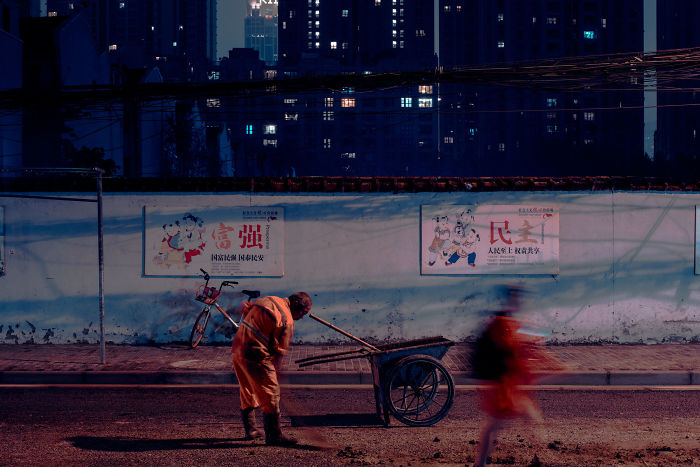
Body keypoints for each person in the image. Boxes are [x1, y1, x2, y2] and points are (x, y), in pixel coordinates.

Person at [474, 286, 546, 467]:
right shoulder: (502, 323)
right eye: (518, 300)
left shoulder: (504, 321)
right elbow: (510, 345)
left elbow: (513, 342)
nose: (521, 303)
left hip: (503, 383)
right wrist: (530, 342)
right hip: (502, 385)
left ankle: (536, 457)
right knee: (524, 417)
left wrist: (529, 339)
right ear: (513, 301)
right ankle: (538, 457)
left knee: (499, 424)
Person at [231, 291, 312, 445]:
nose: (302, 317)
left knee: (247, 388)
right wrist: (276, 376)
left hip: (238, 348)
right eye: (303, 313)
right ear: (295, 306)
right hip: (255, 355)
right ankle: (274, 435)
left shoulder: (268, 299)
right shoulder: (287, 321)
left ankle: (251, 429)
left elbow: (246, 308)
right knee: (271, 393)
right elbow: (279, 354)